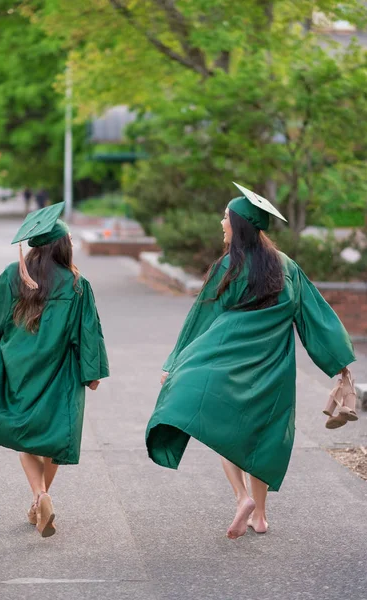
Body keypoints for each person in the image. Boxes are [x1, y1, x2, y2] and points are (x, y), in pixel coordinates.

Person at [145, 182, 356, 541]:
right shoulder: (285, 267)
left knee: (223, 428)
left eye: (225, 217)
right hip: (272, 369)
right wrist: (339, 363)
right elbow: (315, 317)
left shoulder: (228, 266)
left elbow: (201, 319)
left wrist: (176, 361)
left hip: (227, 365)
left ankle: (241, 498)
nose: (221, 222)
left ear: (239, 224)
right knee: (264, 437)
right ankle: (260, 516)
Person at [0, 202, 109, 538]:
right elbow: (87, 331)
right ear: (62, 247)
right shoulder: (77, 284)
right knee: (53, 437)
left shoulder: (13, 275)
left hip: (18, 367)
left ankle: (39, 497)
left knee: (25, 433)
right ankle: (40, 497)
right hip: (60, 371)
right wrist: (92, 373)